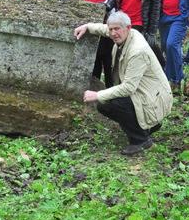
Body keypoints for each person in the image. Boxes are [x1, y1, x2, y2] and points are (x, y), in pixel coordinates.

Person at [74, 11, 173, 156]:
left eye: (117, 29)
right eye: (111, 29)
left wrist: (97, 94)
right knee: (111, 100)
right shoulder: (127, 34)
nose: (113, 33)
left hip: (154, 98)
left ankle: (140, 139)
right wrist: (88, 27)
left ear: (128, 27)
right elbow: (105, 29)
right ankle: (146, 126)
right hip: (148, 93)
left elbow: (128, 88)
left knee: (107, 104)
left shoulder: (137, 51)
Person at [70, 0, 116, 84]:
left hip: (106, 25)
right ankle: (93, 91)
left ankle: (110, 91)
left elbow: (113, 1)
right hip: (86, 26)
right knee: (93, 61)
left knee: (108, 61)